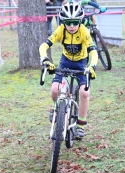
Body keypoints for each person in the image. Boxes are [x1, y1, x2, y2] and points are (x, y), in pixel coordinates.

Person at [39, 2, 98, 139]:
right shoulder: (61, 30)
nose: (72, 26)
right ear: (63, 21)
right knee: (54, 89)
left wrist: (92, 66)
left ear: (80, 21)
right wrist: (45, 59)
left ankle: (81, 124)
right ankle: (56, 108)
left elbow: (93, 51)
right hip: (65, 61)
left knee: (84, 93)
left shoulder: (84, 31)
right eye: (68, 22)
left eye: (75, 22)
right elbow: (44, 46)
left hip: (81, 63)